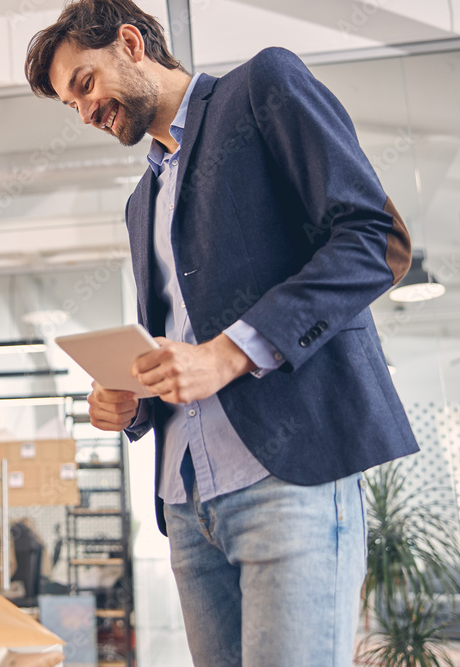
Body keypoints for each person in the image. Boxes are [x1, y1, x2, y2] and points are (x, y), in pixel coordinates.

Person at [25, 1, 418, 664]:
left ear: (131, 43)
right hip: (187, 503)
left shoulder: (262, 87)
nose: (85, 112)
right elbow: (180, 341)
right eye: (72, 105)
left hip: (288, 480)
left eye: (85, 85)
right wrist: (129, 400)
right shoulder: (141, 203)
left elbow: (376, 240)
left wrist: (231, 352)